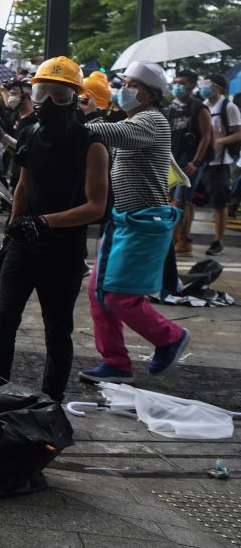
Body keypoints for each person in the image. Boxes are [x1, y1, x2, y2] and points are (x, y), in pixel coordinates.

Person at [0, 58, 109, 401]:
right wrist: (11, 234)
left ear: (76, 98)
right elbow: (23, 187)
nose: (49, 103)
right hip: (24, 246)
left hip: (63, 252)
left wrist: (45, 221)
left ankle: (51, 403)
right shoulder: (29, 133)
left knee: (57, 332)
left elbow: (96, 206)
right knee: (3, 322)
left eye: (61, 95)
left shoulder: (92, 144)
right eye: (42, 93)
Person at [80, 60, 190, 382]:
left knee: (120, 297)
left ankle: (169, 336)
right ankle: (115, 362)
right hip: (124, 221)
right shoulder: (137, 118)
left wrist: (84, 118)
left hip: (143, 223)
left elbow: (109, 132)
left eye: (129, 85)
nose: (123, 90)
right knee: (99, 292)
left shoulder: (152, 120)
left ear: (147, 93)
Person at [166, 69, 212, 254]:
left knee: (181, 201)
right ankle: (176, 237)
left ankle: (181, 240)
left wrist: (196, 162)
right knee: (173, 201)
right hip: (172, 161)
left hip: (189, 164)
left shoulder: (198, 108)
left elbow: (206, 136)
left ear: (192, 86)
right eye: (176, 82)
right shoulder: (172, 108)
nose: (177, 86)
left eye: (182, 83)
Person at [198, 72, 241, 256]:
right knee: (191, 199)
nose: (204, 87)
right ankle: (183, 238)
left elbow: (238, 133)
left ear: (219, 88)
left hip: (220, 162)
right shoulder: (202, 106)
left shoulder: (229, 107)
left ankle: (218, 241)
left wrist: (220, 141)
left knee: (219, 202)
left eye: (208, 84)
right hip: (201, 160)